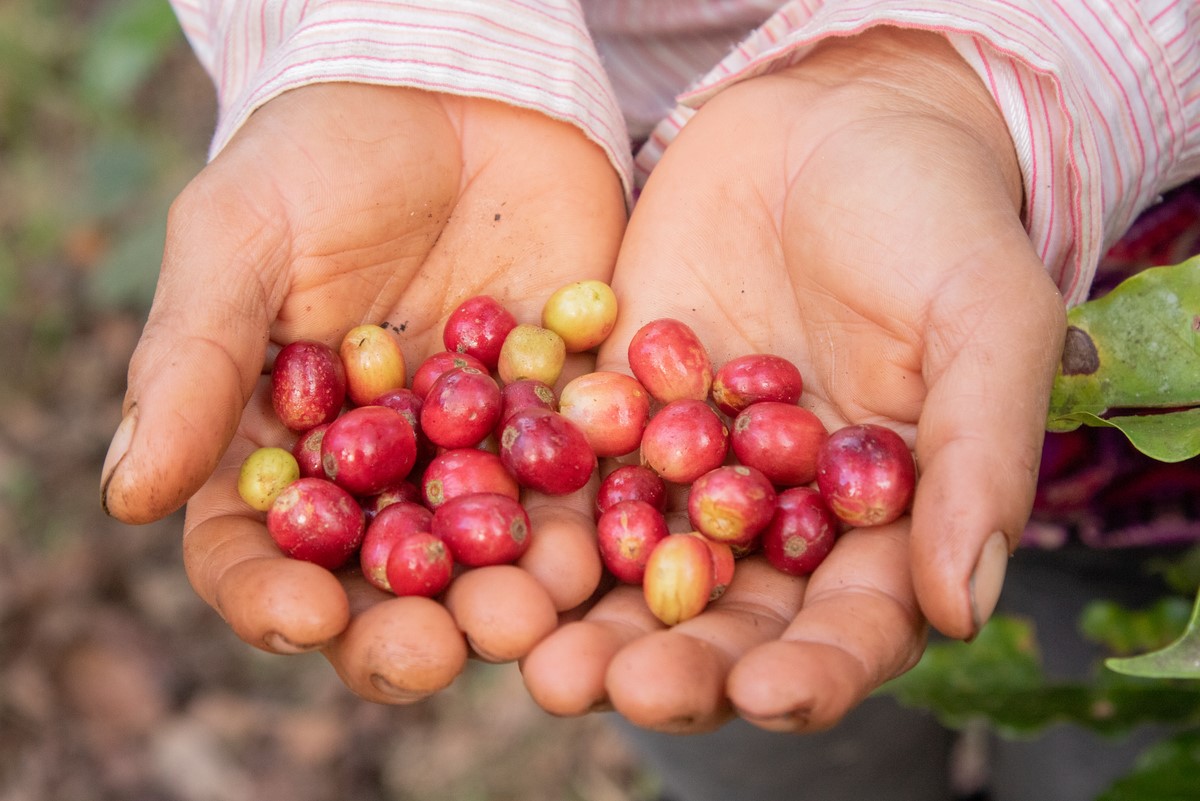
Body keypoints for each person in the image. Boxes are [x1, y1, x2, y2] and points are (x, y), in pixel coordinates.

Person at [100, 2, 1200, 798]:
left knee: (1109, 738)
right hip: (581, 166)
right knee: (745, 723)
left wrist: (968, 77)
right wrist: (392, 44)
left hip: (1103, 304)